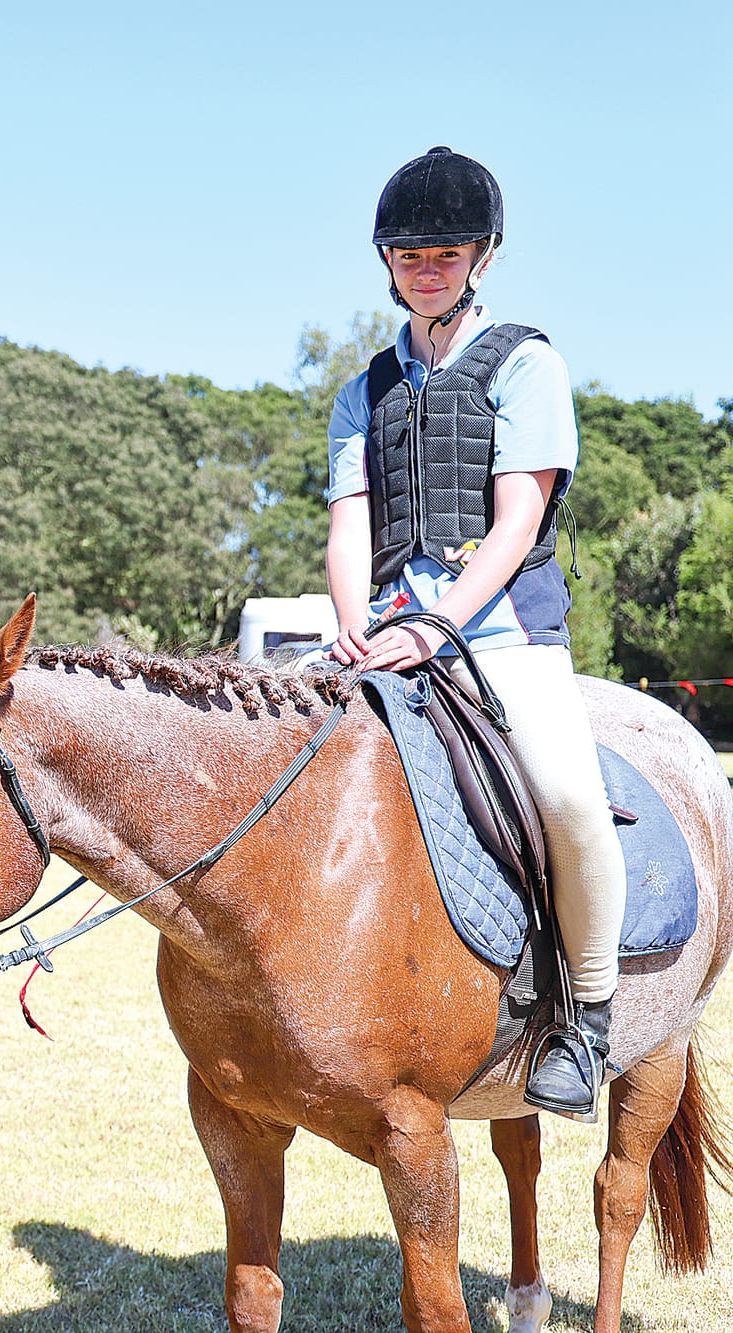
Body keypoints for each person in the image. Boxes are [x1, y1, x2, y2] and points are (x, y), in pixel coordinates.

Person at [324, 147, 626, 1120]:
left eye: (444, 253)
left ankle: (585, 1015)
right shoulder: (360, 389)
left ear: (479, 258)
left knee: (568, 798)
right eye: (409, 253)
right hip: (384, 632)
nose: (425, 268)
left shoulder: (526, 364)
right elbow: (345, 526)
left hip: (497, 635)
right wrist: (352, 628)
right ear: (386, 259)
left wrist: (431, 626)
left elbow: (515, 523)